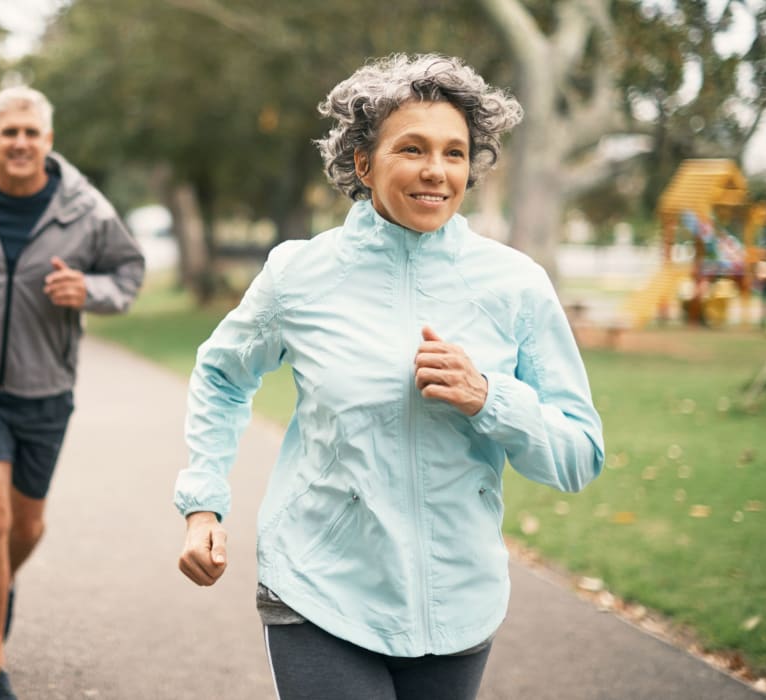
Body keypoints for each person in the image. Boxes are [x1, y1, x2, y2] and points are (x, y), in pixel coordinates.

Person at [174, 54, 604, 700]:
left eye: (455, 153)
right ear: (363, 164)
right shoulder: (301, 276)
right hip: (319, 586)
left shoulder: (516, 285)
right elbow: (221, 374)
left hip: (459, 602)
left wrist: (490, 398)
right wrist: (203, 502)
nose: (436, 171)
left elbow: (579, 456)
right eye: (413, 148)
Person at [0, 85, 144, 700]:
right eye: (8, 132)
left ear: (48, 140)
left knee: (28, 527)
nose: (20, 142)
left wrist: (87, 292)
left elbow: (128, 272)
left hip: (48, 386)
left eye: (31, 133)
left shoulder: (86, 209)